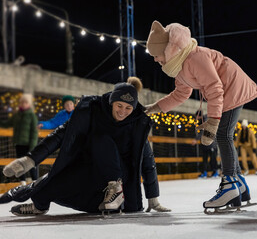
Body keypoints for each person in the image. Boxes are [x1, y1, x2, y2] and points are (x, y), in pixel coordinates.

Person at [0, 77, 170, 216]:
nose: (123, 112)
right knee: (45, 187)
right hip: (89, 173)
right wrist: (30, 160)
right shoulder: (93, 111)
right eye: (119, 105)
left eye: (128, 108)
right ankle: (39, 207)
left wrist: (153, 197)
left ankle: (115, 191)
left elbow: (147, 160)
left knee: (102, 139)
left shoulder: (135, 124)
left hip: (120, 184)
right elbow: (62, 134)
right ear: (112, 102)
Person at [145, 21, 257, 211]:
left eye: (156, 55)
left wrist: (213, 121)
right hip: (225, 89)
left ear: (167, 50)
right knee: (225, 135)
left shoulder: (194, 57)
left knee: (223, 135)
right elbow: (181, 94)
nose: (156, 60)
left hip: (231, 86)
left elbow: (214, 87)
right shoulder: (180, 66)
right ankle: (239, 185)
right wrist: (156, 107)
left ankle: (230, 183)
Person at [0, 94, 38, 185]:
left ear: (29, 104)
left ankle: (35, 182)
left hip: (29, 145)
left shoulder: (32, 116)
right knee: (19, 164)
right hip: (19, 144)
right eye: (22, 102)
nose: (23, 104)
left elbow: (34, 132)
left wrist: (33, 145)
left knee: (31, 163)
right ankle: (22, 183)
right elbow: (7, 124)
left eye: (26, 102)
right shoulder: (17, 115)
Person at [193, 110, 219, 178]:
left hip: (211, 143)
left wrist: (196, 139)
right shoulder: (202, 120)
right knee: (204, 158)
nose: (196, 118)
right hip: (205, 143)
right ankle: (204, 172)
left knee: (212, 158)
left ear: (199, 116)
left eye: (197, 117)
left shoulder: (207, 120)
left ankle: (215, 172)